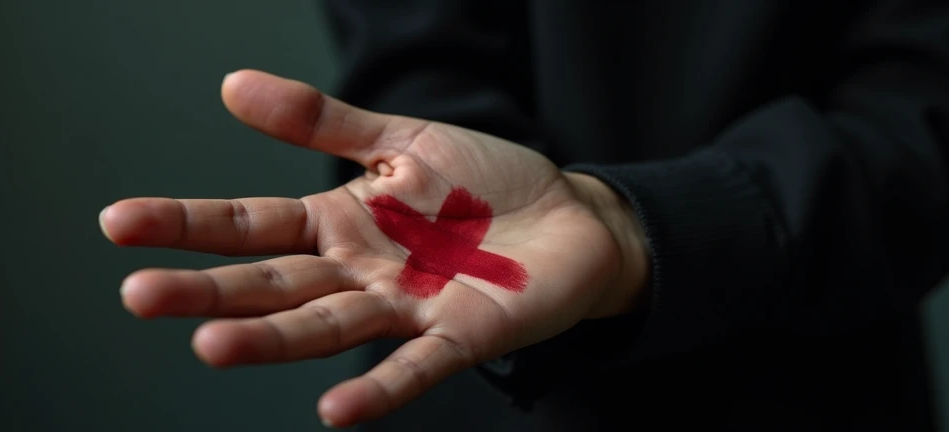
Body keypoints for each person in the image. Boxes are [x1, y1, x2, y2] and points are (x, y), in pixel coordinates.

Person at [98, 0, 948, 429]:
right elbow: (414, 58)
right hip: (476, 375)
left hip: (814, 372)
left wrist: (628, 225)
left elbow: (923, 110)